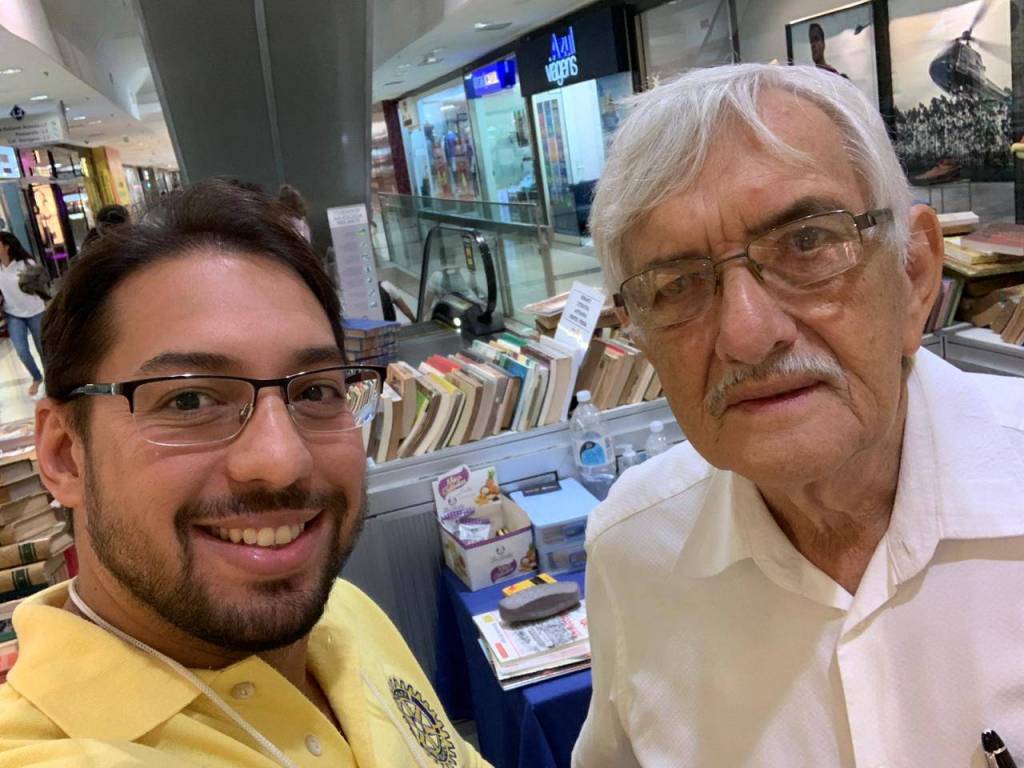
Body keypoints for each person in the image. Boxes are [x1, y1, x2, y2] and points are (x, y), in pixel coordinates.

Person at [573, 64, 1024, 766]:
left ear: (913, 275)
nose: (747, 333)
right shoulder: (633, 552)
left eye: (807, 243)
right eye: (677, 284)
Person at [0, 179, 489, 768]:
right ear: (63, 454)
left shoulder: (342, 611)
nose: (282, 461)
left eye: (315, 391)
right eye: (188, 400)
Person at [0, 232, 47, 397]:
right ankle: (37, 377)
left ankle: (50, 378)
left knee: (43, 349)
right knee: (21, 351)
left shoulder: (27, 263)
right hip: (13, 315)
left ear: (7, 246)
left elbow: (40, 288)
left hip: (35, 312)